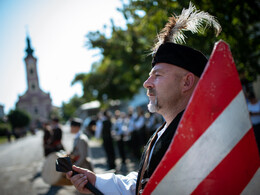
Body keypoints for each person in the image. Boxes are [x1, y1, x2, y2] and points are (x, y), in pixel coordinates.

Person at [66, 3, 221, 195]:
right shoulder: (164, 132)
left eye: (157, 75)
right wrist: (96, 182)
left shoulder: (202, 138)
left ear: (186, 82)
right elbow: (143, 184)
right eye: (150, 75)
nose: (146, 83)